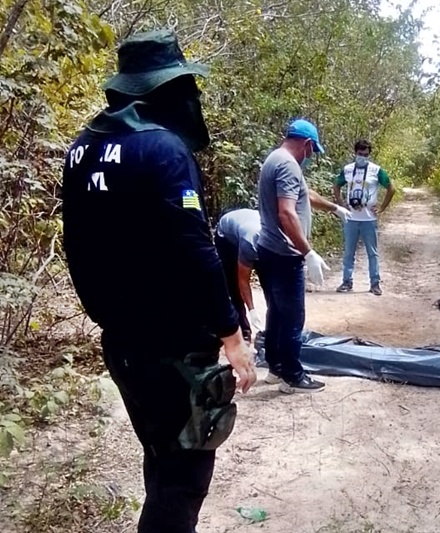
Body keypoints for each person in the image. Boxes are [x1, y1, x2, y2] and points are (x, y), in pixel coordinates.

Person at [60, 29, 257, 533]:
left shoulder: (82, 149)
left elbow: (78, 243)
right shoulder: (163, 149)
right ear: (166, 89)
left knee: (161, 458)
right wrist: (232, 336)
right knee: (183, 480)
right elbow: (195, 249)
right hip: (174, 350)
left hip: (123, 342)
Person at [256, 118, 350, 393]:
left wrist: (334, 208)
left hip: (268, 249)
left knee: (277, 313)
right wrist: (307, 252)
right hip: (285, 254)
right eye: (312, 150)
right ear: (307, 144)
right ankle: (293, 376)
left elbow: (304, 194)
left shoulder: (276, 159)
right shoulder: (287, 164)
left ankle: (275, 367)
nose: (311, 156)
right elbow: (286, 212)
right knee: (293, 317)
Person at [333, 139, 395, 296]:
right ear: (355, 153)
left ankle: (375, 283)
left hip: (369, 219)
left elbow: (391, 188)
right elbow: (336, 185)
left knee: (372, 253)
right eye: (360, 154)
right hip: (351, 218)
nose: (363, 157)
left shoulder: (376, 170)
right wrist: (340, 204)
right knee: (349, 252)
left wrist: (381, 208)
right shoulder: (347, 170)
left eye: (366, 155)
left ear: (369, 154)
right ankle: (347, 281)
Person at [214, 208, 264, 343]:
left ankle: (271, 329)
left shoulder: (275, 239)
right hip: (226, 237)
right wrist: (252, 310)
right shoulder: (249, 244)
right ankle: (244, 328)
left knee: (267, 279)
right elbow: (243, 280)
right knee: (233, 284)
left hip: (247, 225)